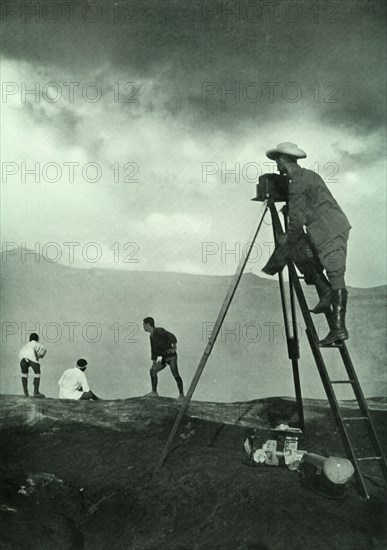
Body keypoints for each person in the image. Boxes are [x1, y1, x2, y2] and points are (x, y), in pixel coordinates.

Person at [263, 142, 351, 346]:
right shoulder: (308, 176)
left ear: (283, 161)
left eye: (278, 162)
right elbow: (312, 205)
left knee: (335, 274)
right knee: (303, 253)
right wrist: (293, 211)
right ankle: (326, 292)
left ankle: (338, 329)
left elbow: (296, 223)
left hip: (330, 231)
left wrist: (285, 239)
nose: (277, 168)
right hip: (325, 229)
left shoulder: (297, 184)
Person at [143, 317, 184, 399]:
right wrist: (154, 364)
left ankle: (182, 395)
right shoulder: (151, 337)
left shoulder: (159, 330)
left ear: (147, 325)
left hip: (171, 357)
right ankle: (154, 392)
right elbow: (153, 351)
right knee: (152, 371)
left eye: (144, 325)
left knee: (176, 375)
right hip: (164, 358)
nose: (143, 327)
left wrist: (174, 347)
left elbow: (171, 336)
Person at [18, 333, 47, 398]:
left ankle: (25, 392)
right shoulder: (39, 344)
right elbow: (42, 354)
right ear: (37, 339)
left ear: (29, 339)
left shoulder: (26, 345)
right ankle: (36, 392)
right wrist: (37, 359)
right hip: (30, 355)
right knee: (37, 372)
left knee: (24, 373)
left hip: (21, 356)